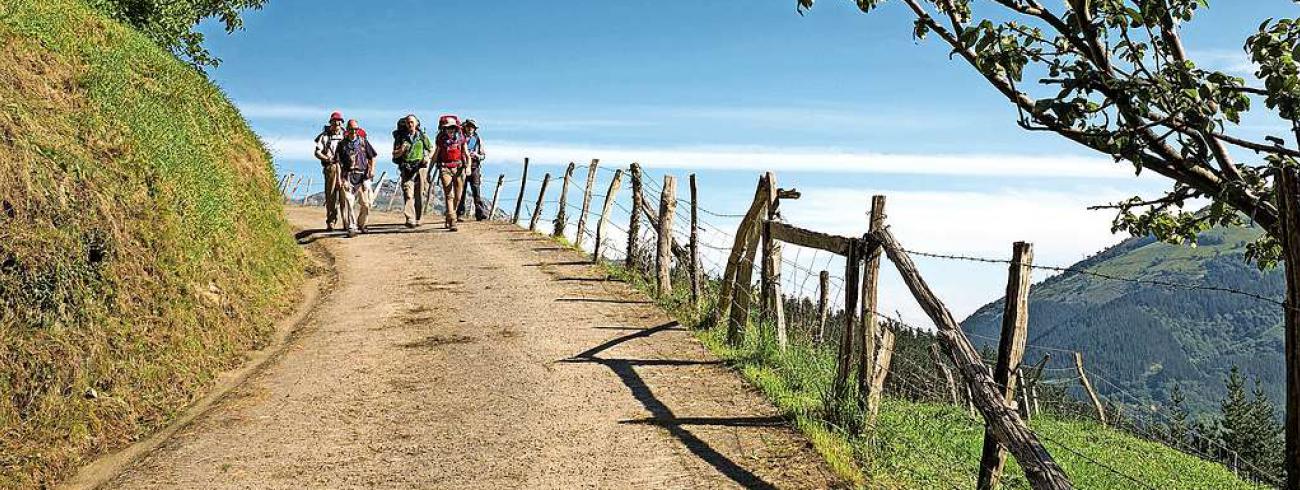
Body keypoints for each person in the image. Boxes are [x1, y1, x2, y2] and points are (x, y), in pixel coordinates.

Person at [333, 119, 378, 237]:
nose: (353, 131)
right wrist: (339, 178)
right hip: (348, 176)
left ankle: (362, 224)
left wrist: (372, 170)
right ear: (347, 130)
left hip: (362, 176)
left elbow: (373, 156)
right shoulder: (342, 145)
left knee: (366, 203)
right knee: (349, 201)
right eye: (351, 129)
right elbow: (337, 162)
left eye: (356, 129)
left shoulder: (363, 142)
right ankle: (352, 227)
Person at [392, 114, 432, 228]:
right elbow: (394, 154)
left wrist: (427, 157)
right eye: (408, 122)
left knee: (419, 195)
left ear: (416, 123)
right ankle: (410, 218)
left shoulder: (422, 137)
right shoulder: (401, 138)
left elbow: (431, 149)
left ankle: (418, 218)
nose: (410, 124)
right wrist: (402, 150)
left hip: (420, 168)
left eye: (412, 122)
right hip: (407, 168)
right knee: (408, 193)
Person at [433, 115, 470, 231]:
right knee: (449, 195)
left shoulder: (461, 138)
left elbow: (467, 154)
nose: (450, 130)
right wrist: (429, 170)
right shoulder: (441, 139)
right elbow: (435, 155)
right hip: (445, 168)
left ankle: (449, 215)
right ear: (444, 129)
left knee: (458, 197)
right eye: (448, 128)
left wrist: (468, 167)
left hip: (459, 168)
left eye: (452, 128)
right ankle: (453, 220)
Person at [313, 111, 345, 230]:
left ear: (342, 123)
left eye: (339, 121)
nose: (337, 123)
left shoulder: (346, 135)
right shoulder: (324, 136)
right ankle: (331, 221)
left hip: (344, 168)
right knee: (331, 195)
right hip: (330, 167)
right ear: (330, 123)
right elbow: (317, 152)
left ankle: (347, 222)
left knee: (344, 195)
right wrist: (327, 158)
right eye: (334, 121)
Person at [457, 119, 489, 221]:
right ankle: (459, 213)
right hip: (462, 166)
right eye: (469, 126)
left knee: (476, 190)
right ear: (465, 127)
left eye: (472, 127)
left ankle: (479, 213)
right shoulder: (460, 138)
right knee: (461, 191)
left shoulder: (478, 139)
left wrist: (477, 156)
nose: (470, 128)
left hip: (474, 166)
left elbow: (483, 155)